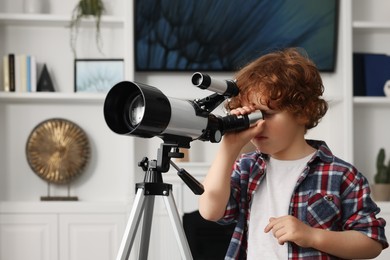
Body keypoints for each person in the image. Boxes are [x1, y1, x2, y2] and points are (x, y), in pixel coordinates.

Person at [198, 47, 388, 259]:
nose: (257, 125)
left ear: (303, 111)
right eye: (250, 117)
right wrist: (228, 148)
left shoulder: (341, 175)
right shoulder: (246, 167)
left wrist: (311, 236)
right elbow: (210, 211)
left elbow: (371, 242)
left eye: (267, 114)